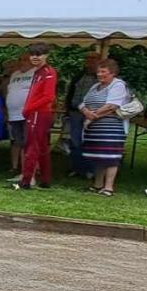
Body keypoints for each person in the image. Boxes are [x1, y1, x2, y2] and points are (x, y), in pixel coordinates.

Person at [78, 59, 130, 196]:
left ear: (112, 73)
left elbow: (112, 106)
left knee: (111, 157)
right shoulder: (95, 86)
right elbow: (82, 103)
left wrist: (93, 116)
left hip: (111, 128)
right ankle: (97, 184)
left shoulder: (118, 85)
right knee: (98, 157)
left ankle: (108, 187)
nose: (100, 74)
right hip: (95, 128)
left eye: (103, 72)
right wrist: (86, 112)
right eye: (98, 71)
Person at [11, 44, 58, 190]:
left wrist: (28, 108)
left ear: (46, 55)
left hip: (39, 113)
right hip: (36, 112)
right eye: (33, 54)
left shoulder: (48, 72)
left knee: (32, 147)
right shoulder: (38, 72)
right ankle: (45, 179)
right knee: (42, 147)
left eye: (39, 54)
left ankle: (26, 181)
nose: (35, 57)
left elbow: (48, 96)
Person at [62, 52, 102, 178]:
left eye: (93, 58)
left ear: (99, 61)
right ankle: (77, 168)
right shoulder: (79, 75)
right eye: (88, 58)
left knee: (91, 142)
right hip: (75, 112)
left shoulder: (101, 77)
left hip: (92, 113)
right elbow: (71, 92)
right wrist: (67, 108)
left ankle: (92, 170)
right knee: (75, 141)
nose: (89, 60)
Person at [3, 52, 35, 173]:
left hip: (28, 114)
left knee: (28, 142)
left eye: (25, 59)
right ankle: (17, 167)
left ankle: (28, 170)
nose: (22, 62)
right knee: (18, 141)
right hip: (13, 114)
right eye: (20, 59)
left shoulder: (35, 73)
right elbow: (10, 91)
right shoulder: (15, 74)